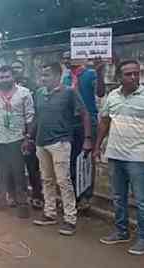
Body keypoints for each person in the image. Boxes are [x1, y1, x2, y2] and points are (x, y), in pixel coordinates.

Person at [32, 62, 93, 236]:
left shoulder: (69, 92)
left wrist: (88, 139)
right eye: (42, 75)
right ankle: (50, 213)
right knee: (47, 179)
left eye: (47, 75)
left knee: (64, 181)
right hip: (41, 142)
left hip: (60, 142)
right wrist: (30, 137)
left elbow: (84, 114)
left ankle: (70, 219)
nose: (43, 78)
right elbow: (37, 117)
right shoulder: (39, 93)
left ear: (58, 76)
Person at [96, 60, 144, 255]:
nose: (133, 77)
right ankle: (121, 231)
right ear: (119, 78)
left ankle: (142, 238)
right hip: (115, 154)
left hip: (138, 157)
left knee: (141, 200)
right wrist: (97, 145)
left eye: (136, 73)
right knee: (118, 196)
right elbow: (105, 122)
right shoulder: (112, 96)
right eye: (128, 74)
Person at [0, 65, 35, 219]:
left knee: (18, 173)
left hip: (17, 139)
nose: (4, 80)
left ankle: (22, 204)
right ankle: (1, 200)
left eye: (7, 77)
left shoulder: (24, 93)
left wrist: (28, 138)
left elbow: (30, 117)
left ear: (13, 77)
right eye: (1, 77)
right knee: (1, 172)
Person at [61, 51, 105, 211]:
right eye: (64, 58)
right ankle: (74, 196)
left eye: (69, 57)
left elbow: (100, 92)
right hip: (71, 122)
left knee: (86, 159)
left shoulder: (90, 73)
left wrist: (100, 72)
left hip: (89, 121)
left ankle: (86, 197)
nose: (66, 61)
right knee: (71, 159)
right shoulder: (66, 78)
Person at [11, 59, 44, 209]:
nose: (16, 70)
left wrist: (31, 134)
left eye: (18, 67)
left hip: (30, 133)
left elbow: (36, 112)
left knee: (32, 168)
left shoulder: (33, 87)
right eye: (13, 68)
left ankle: (37, 196)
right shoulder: (6, 88)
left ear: (23, 69)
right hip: (12, 133)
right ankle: (18, 198)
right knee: (14, 167)